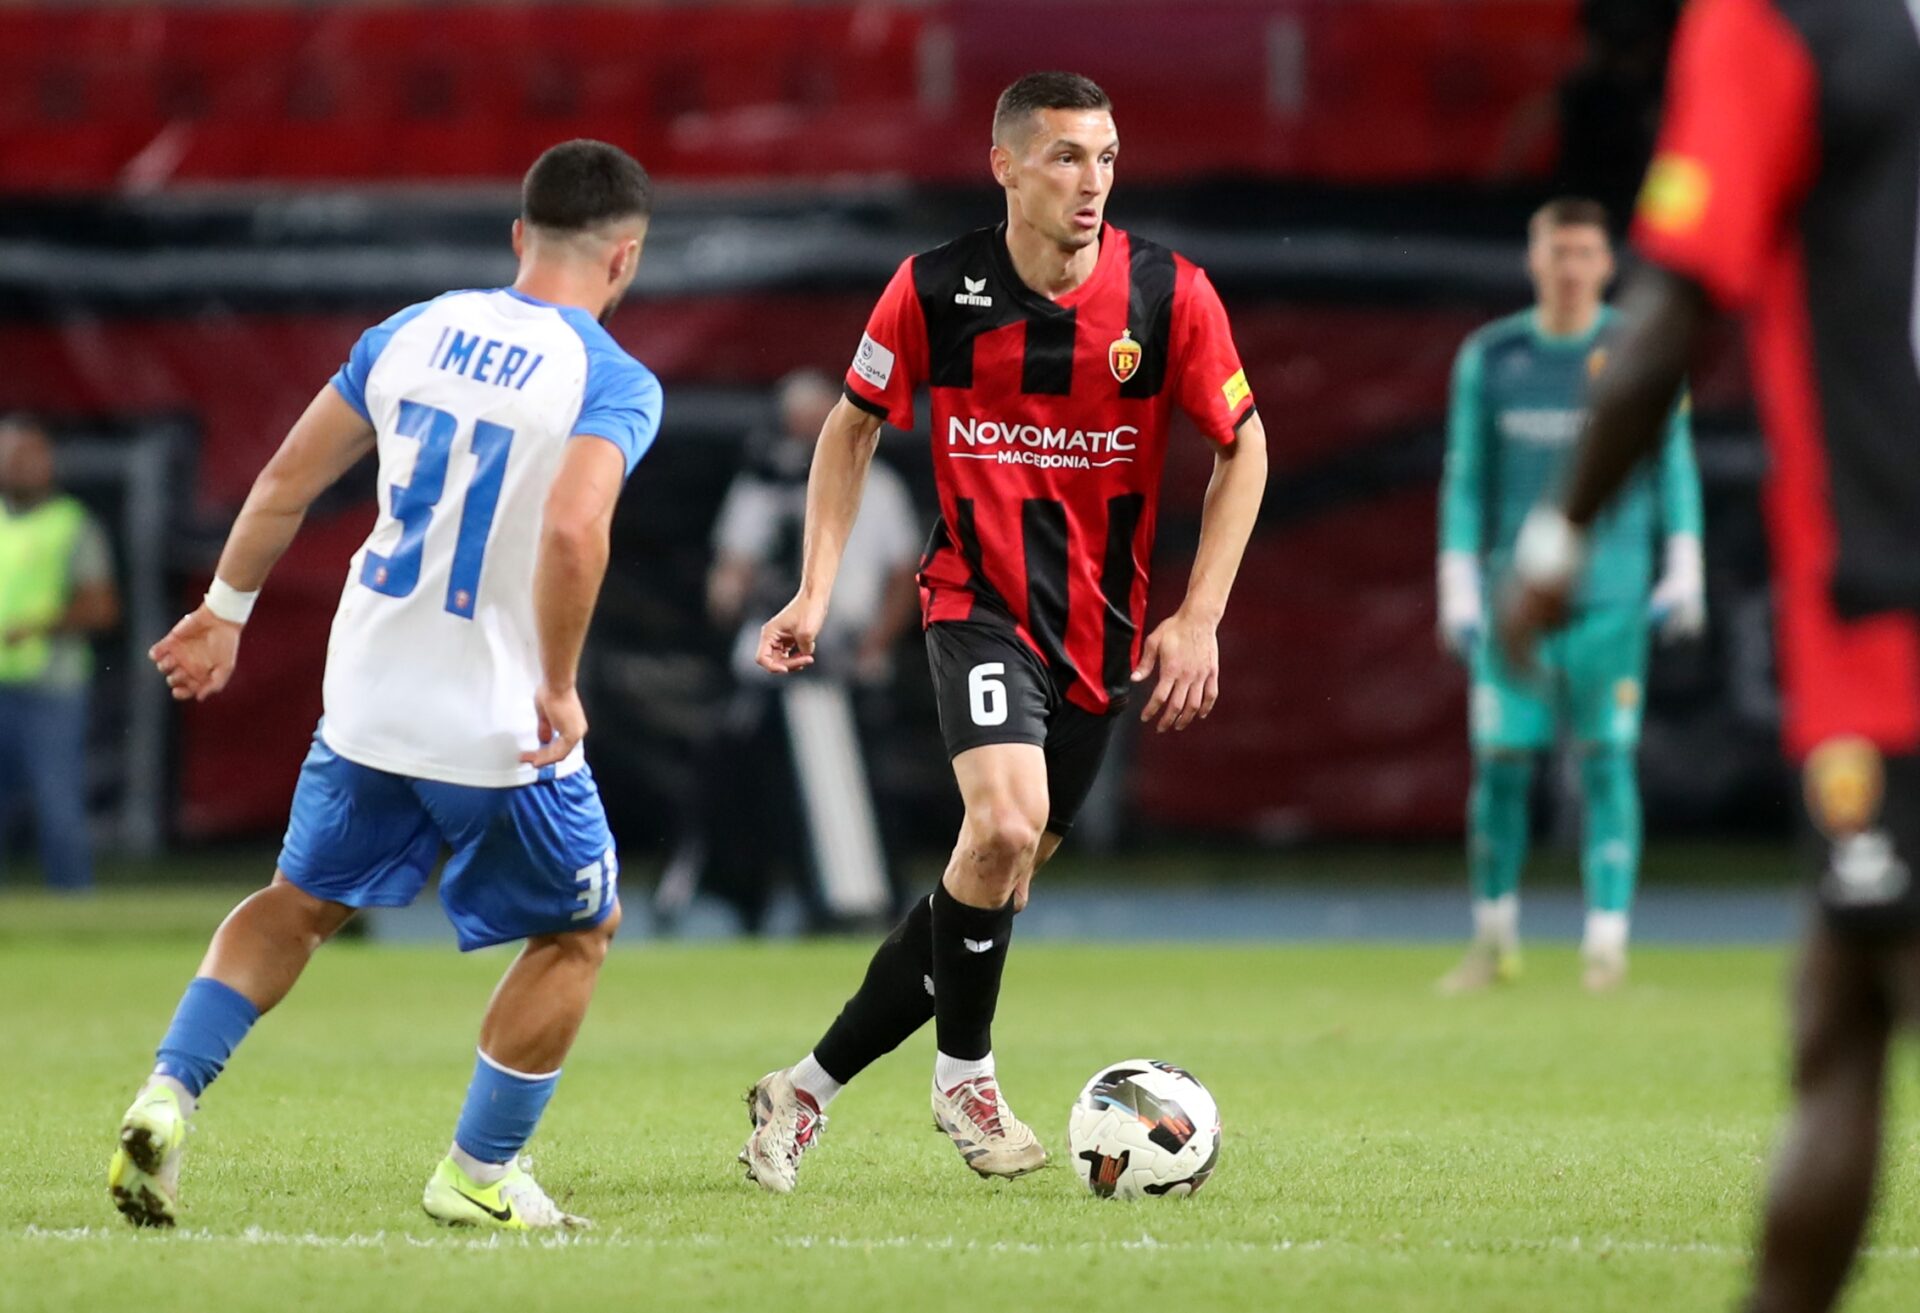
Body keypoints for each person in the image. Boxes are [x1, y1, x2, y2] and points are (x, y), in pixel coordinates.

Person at [107, 140, 662, 1231]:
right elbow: (573, 524)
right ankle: (479, 1171)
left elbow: (285, 479)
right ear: (626, 257)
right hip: (496, 716)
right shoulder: (609, 377)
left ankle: (167, 1090)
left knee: (299, 904)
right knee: (579, 927)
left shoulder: (411, 331)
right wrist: (559, 681)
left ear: (520, 235)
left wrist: (223, 612)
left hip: (366, 694)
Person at [738, 71, 1268, 1193]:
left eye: (1107, 157)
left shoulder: (1170, 294)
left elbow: (1245, 445)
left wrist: (1200, 615)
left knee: (991, 878)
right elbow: (850, 429)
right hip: (975, 600)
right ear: (1007, 166)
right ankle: (966, 1081)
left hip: (1100, 634)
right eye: (1067, 156)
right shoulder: (936, 288)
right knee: (1005, 823)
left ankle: (804, 1087)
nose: (1093, 180)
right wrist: (815, 590)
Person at [1498, 0, 1920, 1307]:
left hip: (1888, 620)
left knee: (1867, 995)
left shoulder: (1782, 20)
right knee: (1838, 1009)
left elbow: (1670, 317)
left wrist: (1554, 540)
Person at [1436, 198, 1703, 994]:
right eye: (1558, 252)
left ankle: (1607, 947)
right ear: (1534, 259)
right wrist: (1457, 577)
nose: (1571, 268)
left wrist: (1683, 561)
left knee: (1608, 764)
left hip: (1612, 595)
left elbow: (1672, 461)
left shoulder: (1639, 346)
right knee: (1501, 768)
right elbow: (1467, 477)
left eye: (1586, 253)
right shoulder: (1494, 356)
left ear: (1608, 263)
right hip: (1514, 600)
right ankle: (1493, 941)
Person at [656, 368, 920, 932]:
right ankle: (732, 896)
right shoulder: (763, 491)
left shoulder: (879, 488)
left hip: (843, 658)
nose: (805, 438)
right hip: (773, 666)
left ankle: (860, 894)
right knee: (739, 784)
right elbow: (730, 579)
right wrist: (742, 592)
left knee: (852, 789)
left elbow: (905, 575)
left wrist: (871, 642)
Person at [0, 414, 120, 893]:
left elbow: (102, 607)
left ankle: (73, 899)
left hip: (51, 688)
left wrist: (36, 627)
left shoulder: (71, 524)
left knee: (58, 804)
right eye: (9, 456)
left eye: (27, 455)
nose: (17, 465)